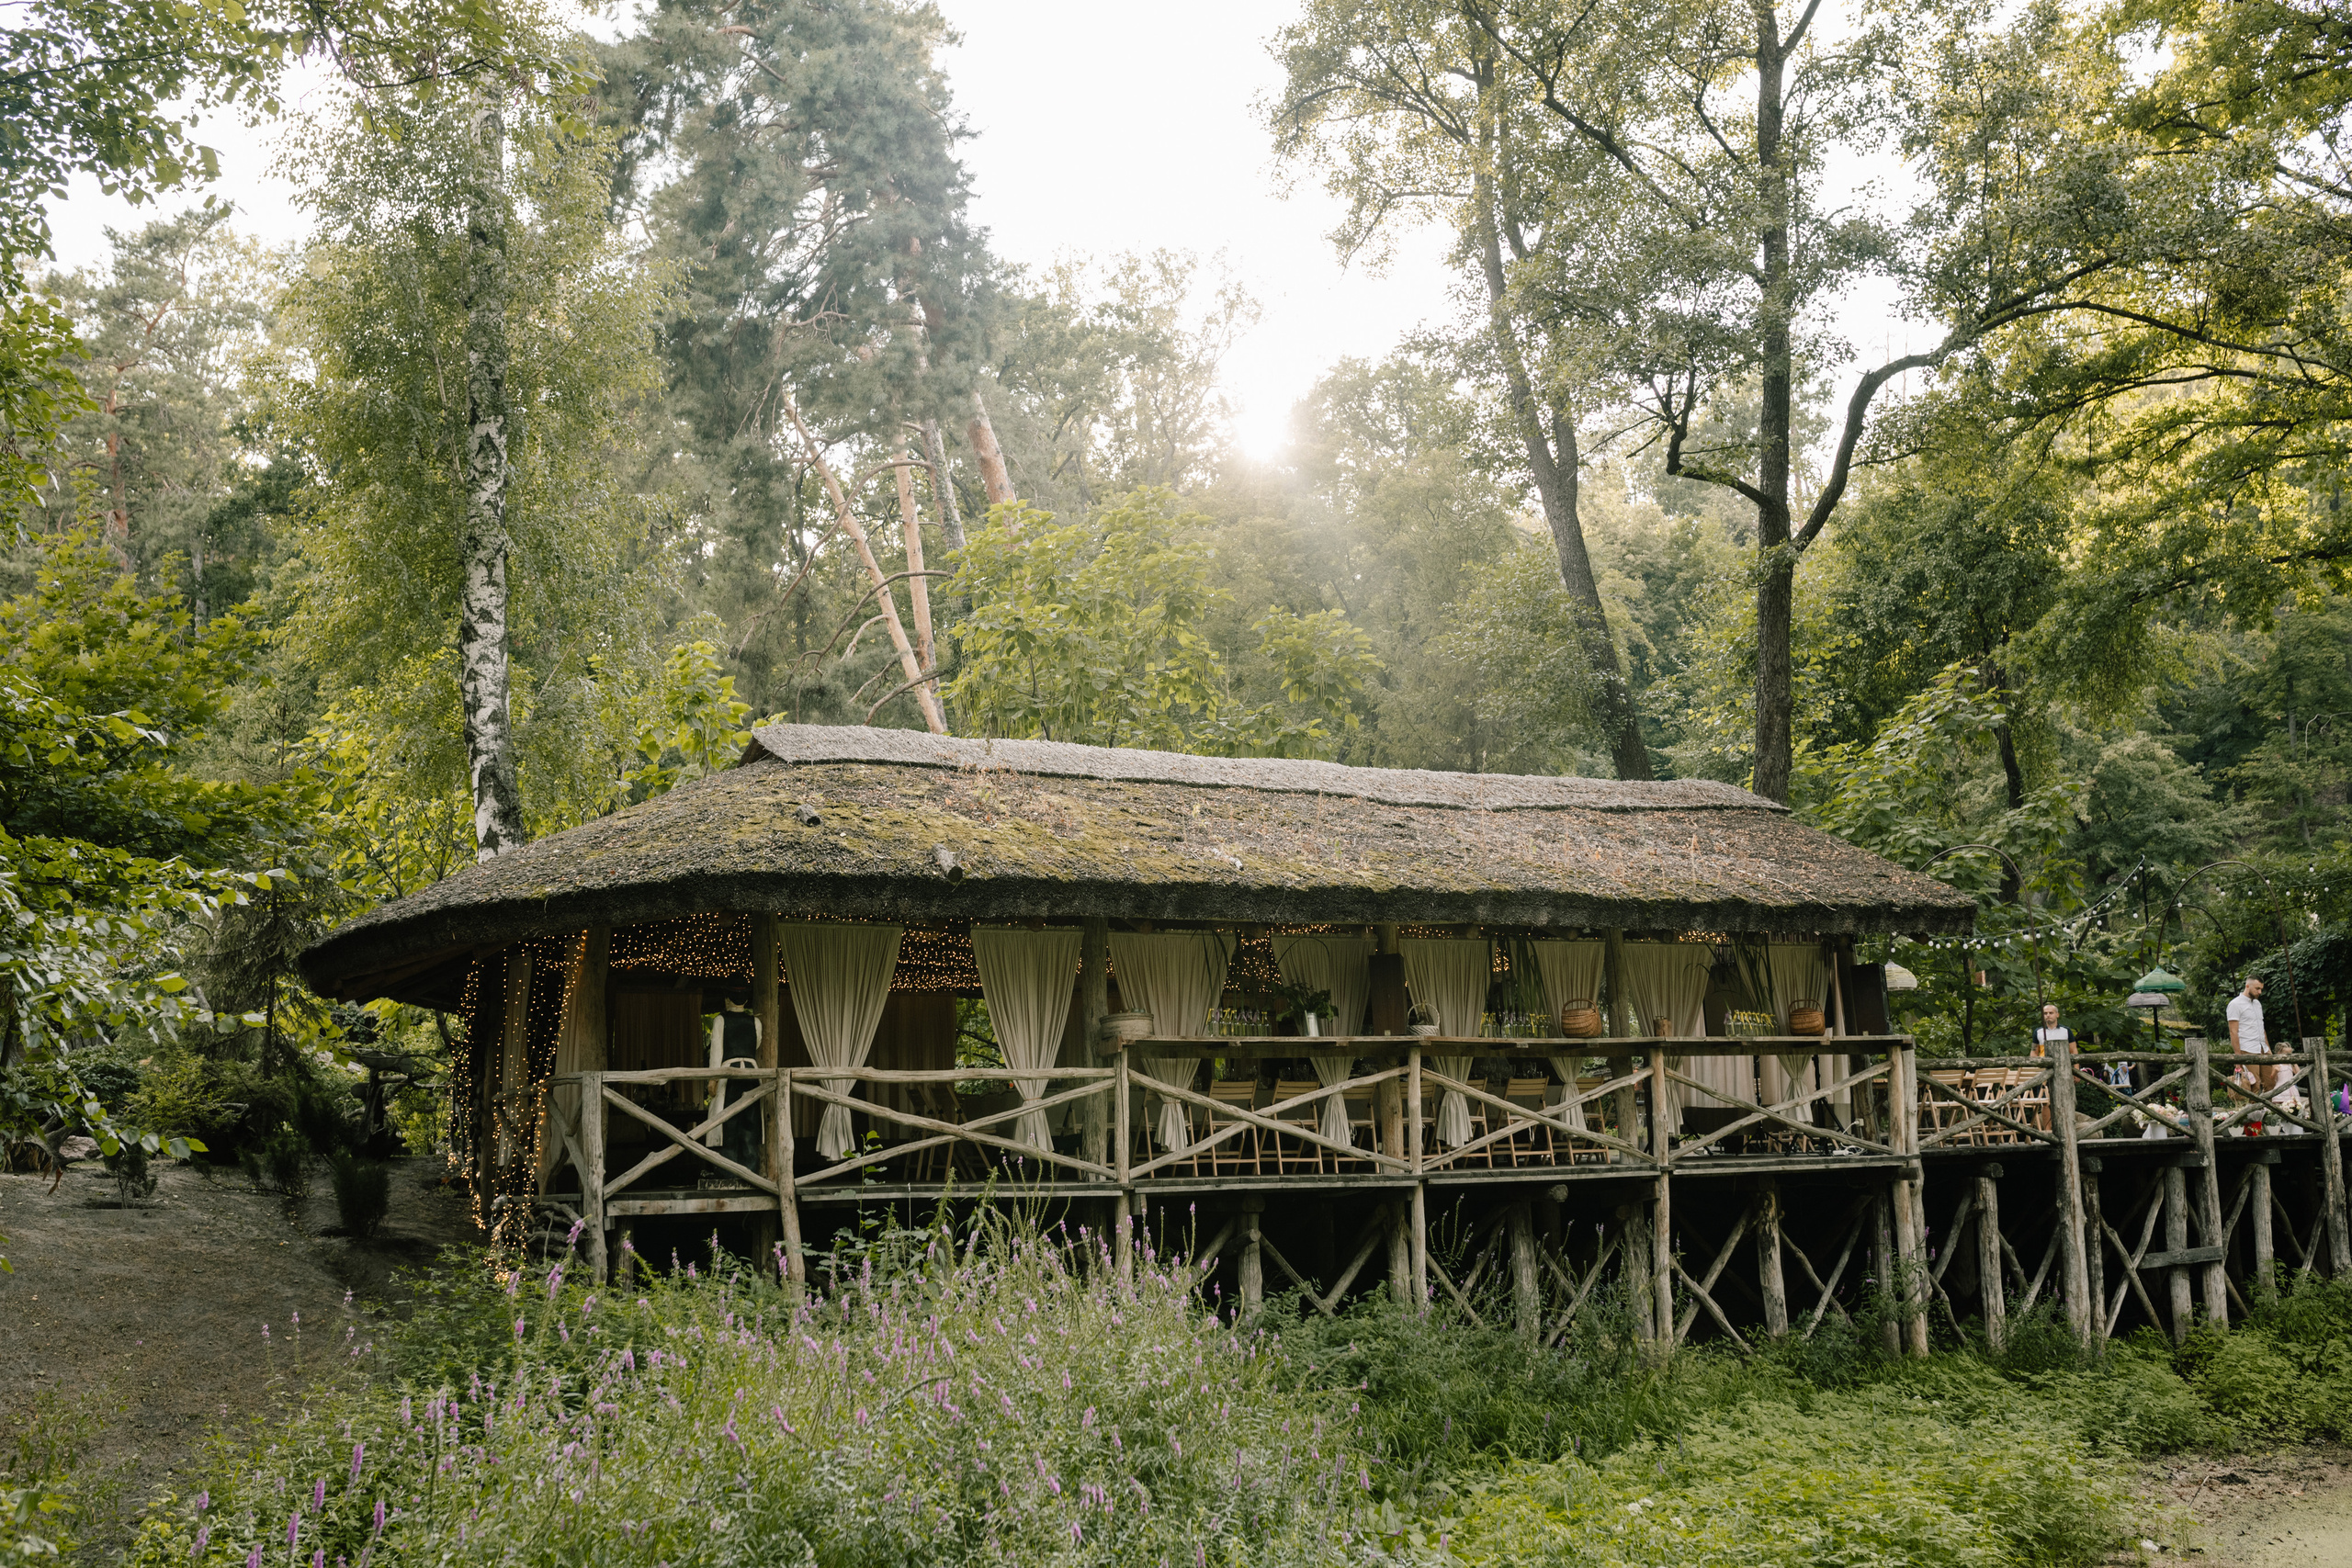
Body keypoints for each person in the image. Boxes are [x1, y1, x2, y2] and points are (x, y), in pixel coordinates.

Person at [2226, 976, 2277, 1122]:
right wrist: (2238, 1057)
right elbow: (2233, 1032)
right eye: (2257, 988)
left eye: (2261, 989)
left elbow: (2262, 1028)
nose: (2260, 992)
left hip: (2262, 1048)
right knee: (2254, 1085)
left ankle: (2268, 1119)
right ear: (2247, 986)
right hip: (2247, 1048)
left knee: (2270, 1083)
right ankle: (2252, 1123)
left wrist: (2269, 1050)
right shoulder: (2235, 1004)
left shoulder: (2258, 1004)